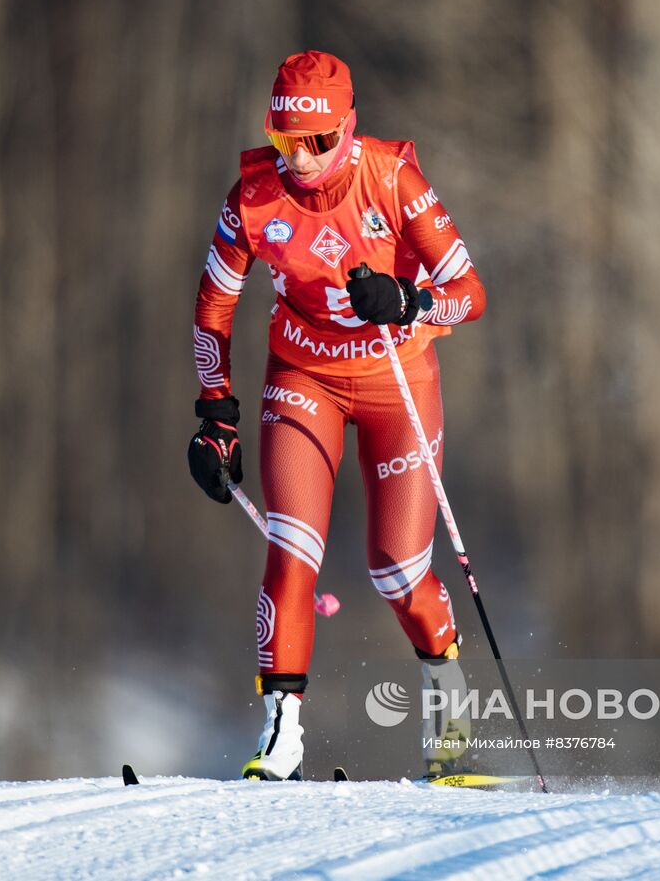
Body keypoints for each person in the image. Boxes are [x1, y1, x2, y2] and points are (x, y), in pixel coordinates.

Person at [187, 50, 486, 780]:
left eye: (319, 142)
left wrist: (409, 300)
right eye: (287, 142)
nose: (303, 160)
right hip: (303, 373)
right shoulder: (253, 198)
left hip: (394, 373)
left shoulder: (391, 178)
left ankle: (450, 722)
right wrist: (215, 411)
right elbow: (213, 307)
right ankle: (281, 735)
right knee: (292, 545)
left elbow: (470, 292)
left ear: (348, 129)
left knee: (398, 569)